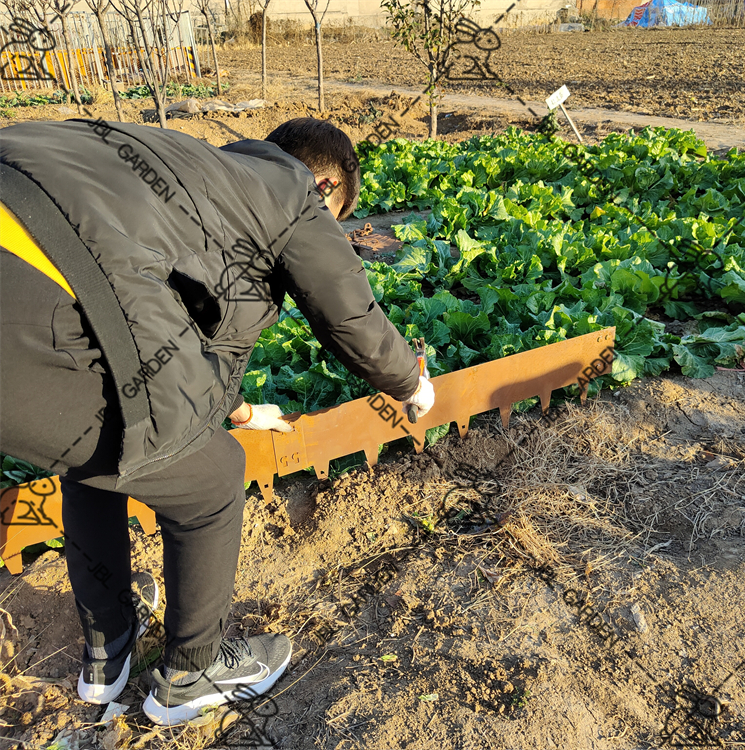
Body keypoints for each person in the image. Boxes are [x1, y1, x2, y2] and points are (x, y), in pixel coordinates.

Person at [0, 116, 434, 726]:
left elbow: (169, 315)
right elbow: (348, 315)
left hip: (23, 241)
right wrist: (411, 383)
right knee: (213, 477)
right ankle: (191, 674)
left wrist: (242, 410)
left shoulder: (196, 172)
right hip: (22, 304)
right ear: (326, 185)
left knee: (96, 457)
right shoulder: (290, 195)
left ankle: (107, 652)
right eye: (334, 219)